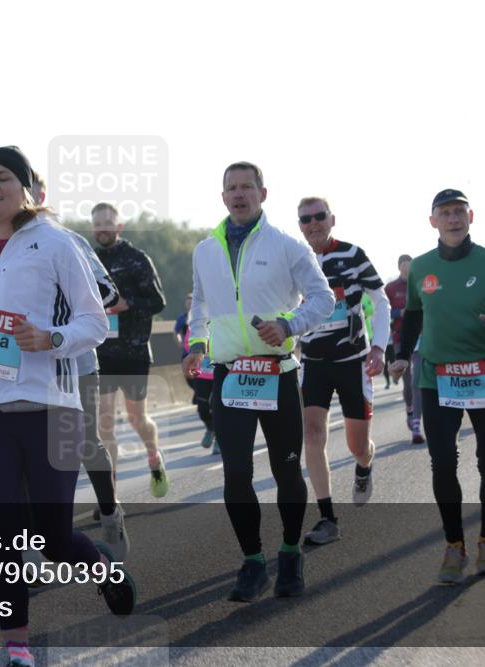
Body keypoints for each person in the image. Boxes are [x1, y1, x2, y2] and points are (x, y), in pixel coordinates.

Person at [0, 146, 135, 667]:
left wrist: (50, 338)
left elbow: (96, 323)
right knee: (2, 537)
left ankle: (103, 568)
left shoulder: (56, 243)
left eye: (3, 177)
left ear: (26, 188)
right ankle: (18, 648)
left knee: (52, 539)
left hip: (55, 410)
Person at [184, 161, 333, 601]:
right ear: (223, 196)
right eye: (231, 188)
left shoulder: (287, 245)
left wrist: (288, 325)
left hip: (277, 372)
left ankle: (289, 553)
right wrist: (196, 343)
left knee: (286, 469)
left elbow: (323, 299)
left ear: (262, 194)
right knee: (235, 473)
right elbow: (199, 304)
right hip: (230, 375)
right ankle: (252, 562)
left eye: (247, 187)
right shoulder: (205, 250)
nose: (239, 194)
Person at [390, 189, 485, 585]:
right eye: (445, 213)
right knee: (443, 462)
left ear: (471, 217)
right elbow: (413, 315)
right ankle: (454, 545)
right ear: (433, 221)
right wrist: (402, 355)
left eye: (459, 212)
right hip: (438, 377)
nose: (453, 219)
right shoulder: (421, 267)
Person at [30, 170, 127, 557]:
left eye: (27, 188)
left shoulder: (68, 241)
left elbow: (108, 293)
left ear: (40, 195)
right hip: (27, 367)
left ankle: (110, 513)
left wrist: (61, 316)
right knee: (31, 451)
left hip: (77, 360)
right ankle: (34, 546)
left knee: (85, 443)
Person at [294, 198, 390, 546]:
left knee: (357, 446)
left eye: (320, 216)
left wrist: (379, 347)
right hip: (313, 362)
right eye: (306, 219)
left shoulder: (352, 254)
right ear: (300, 225)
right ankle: (327, 518)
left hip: (353, 361)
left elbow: (381, 301)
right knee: (311, 434)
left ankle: (364, 465)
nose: (314, 223)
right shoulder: (294, 260)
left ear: (332, 219)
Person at [92, 203, 169, 498]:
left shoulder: (137, 259)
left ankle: (154, 455)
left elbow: (158, 302)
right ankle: (110, 494)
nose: (102, 229)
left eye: (107, 223)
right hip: (102, 353)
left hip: (134, 352)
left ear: (119, 227)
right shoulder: (89, 262)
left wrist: (128, 304)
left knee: (138, 418)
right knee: (104, 421)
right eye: (97, 224)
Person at [385, 254, 425, 444]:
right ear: (399, 267)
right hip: (400, 338)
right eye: (404, 265)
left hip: (421, 337)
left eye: (410, 265)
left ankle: (416, 424)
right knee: (407, 381)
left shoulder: (421, 284)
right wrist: (398, 312)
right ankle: (409, 409)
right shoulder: (391, 288)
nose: (407, 268)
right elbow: (384, 311)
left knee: (417, 380)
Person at [176, 293, 217, 453]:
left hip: (220, 371)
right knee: (202, 408)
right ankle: (210, 428)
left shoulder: (222, 319)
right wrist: (200, 349)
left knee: (217, 406)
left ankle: (220, 438)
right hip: (202, 372)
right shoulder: (197, 322)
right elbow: (188, 343)